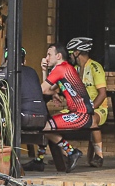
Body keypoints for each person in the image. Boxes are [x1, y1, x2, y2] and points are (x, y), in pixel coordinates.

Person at [40, 42, 93, 173]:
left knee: (44, 126)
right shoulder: (65, 68)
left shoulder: (60, 68)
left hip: (82, 114)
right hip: (79, 113)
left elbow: (42, 89)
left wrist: (51, 91)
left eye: (49, 55)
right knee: (45, 124)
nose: (46, 58)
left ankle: (71, 152)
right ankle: (39, 158)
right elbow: (49, 89)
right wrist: (44, 71)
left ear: (58, 56)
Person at [0, 47, 49, 172]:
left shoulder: (8, 70)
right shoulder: (32, 71)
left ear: (7, 61)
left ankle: (6, 162)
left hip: (24, 119)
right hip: (42, 119)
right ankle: (39, 159)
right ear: (24, 61)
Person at [67, 37, 108, 167]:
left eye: (70, 53)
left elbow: (102, 94)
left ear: (77, 52)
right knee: (54, 120)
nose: (69, 56)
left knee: (92, 120)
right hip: (79, 108)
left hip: (98, 109)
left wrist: (89, 109)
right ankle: (66, 153)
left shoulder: (95, 67)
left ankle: (99, 156)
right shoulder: (75, 69)